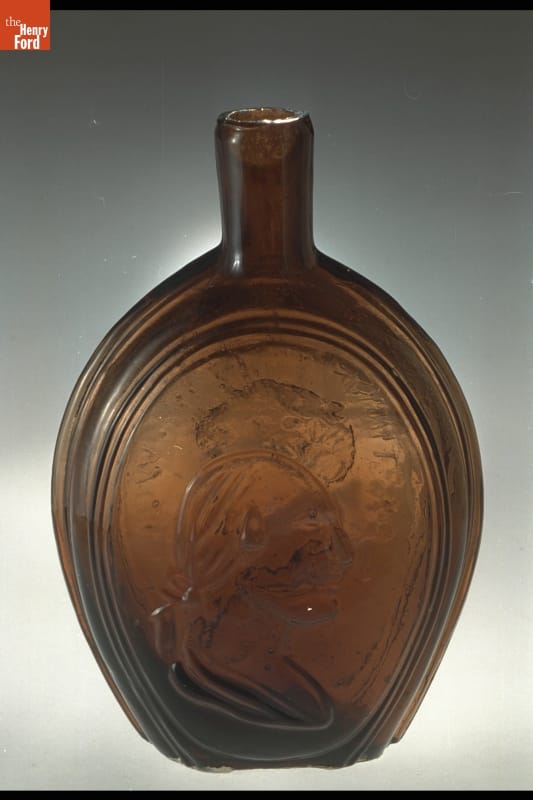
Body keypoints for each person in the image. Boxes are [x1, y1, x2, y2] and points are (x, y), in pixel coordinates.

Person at [151, 450, 352, 729]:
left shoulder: (292, 690)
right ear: (242, 539)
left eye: (335, 531)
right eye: (312, 527)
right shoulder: (200, 671)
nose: (343, 555)